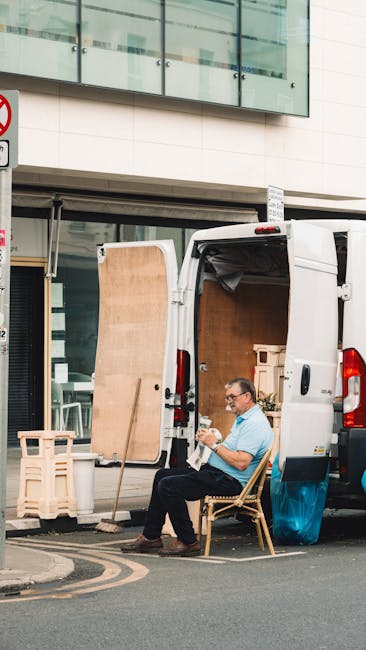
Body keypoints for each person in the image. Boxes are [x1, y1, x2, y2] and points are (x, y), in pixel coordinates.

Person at [120, 378, 273, 557]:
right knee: (162, 475)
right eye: (227, 398)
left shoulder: (253, 424)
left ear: (247, 396)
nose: (229, 401)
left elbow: (241, 462)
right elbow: (233, 452)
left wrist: (214, 445)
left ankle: (188, 541)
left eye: (232, 397)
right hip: (218, 473)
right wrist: (209, 441)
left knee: (169, 486)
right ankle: (151, 537)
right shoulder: (244, 420)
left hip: (231, 481)